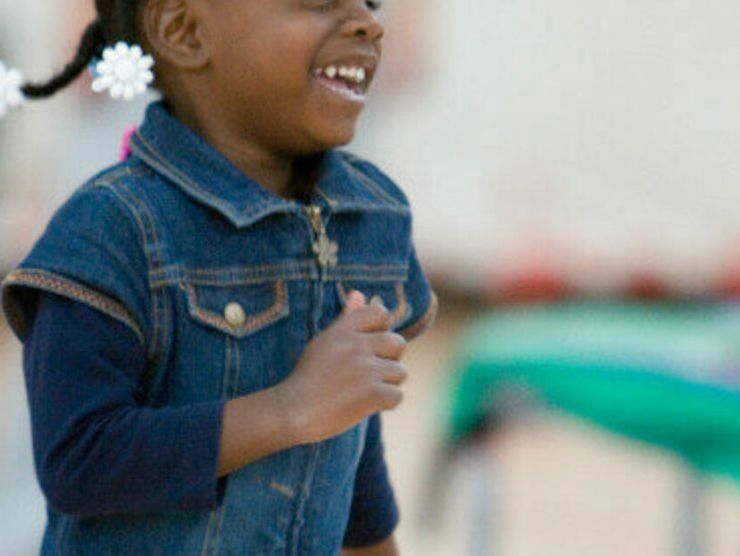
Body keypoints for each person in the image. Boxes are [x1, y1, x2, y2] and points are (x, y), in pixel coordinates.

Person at [0, 0, 438, 554]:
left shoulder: (370, 217)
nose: (369, 22)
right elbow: (79, 461)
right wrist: (289, 409)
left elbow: (349, 444)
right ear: (183, 29)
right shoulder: (110, 228)